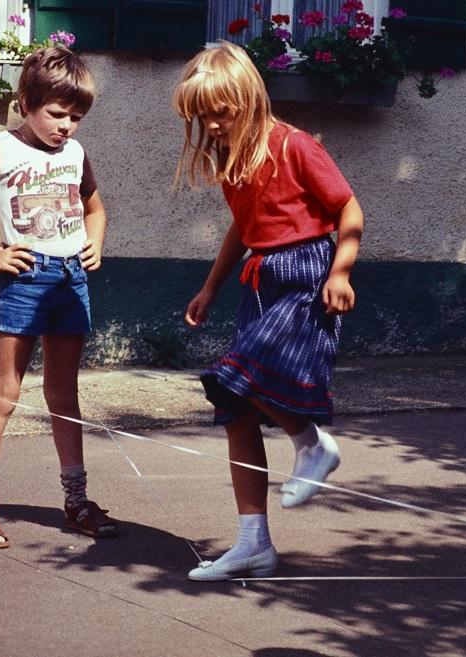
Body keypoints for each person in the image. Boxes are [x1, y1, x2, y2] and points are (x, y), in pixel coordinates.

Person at [172, 42, 363, 581]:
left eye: (220, 111)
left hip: (305, 276)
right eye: (201, 116)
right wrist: (210, 287)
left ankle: (311, 443)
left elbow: (348, 208)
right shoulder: (233, 158)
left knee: (237, 377)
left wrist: (341, 270)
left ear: (249, 97)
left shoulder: (295, 145)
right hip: (259, 279)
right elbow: (243, 227)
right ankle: (253, 542)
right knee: (235, 407)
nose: (211, 124)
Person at [0, 46, 115, 548]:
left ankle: (76, 498)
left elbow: (95, 210)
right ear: (26, 101)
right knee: (3, 391)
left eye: (77, 117)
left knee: (63, 393)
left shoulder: (74, 154)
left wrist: (95, 242)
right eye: (56, 113)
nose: (66, 126)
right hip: (25, 277)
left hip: (70, 280)